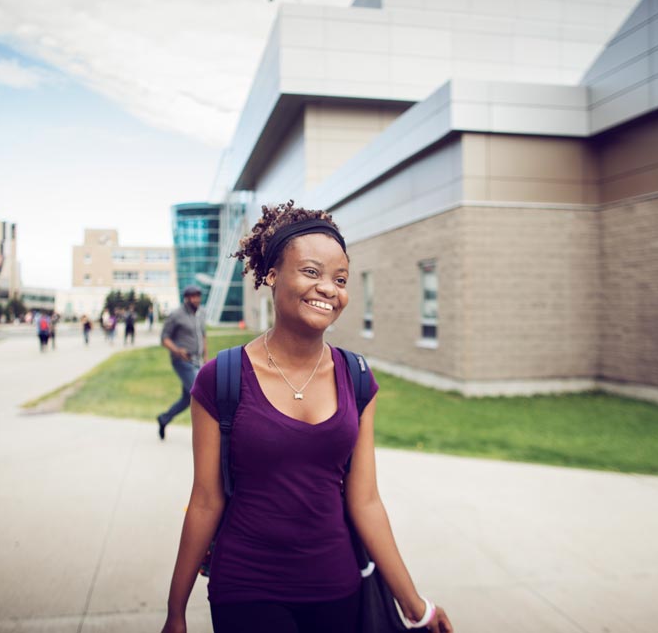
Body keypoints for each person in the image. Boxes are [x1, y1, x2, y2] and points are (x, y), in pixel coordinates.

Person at [161, 201, 452, 633]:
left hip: (337, 589)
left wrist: (415, 605)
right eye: (312, 272)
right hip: (246, 588)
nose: (329, 289)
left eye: (340, 279)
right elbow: (205, 499)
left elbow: (366, 501)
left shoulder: (357, 378)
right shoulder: (219, 378)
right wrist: (176, 612)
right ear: (273, 275)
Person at [156, 285, 207, 440]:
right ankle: (204, 436)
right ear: (186, 298)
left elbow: (204, 336)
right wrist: (177, 351)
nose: (196, 299)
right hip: (182, 361)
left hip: (197, 361)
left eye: (198, 296)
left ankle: (164, 418)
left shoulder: (201, 314)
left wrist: (206, 358)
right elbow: (164, 338)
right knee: (200, 395)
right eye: (192, 296)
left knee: (187, 400)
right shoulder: (176, 315)